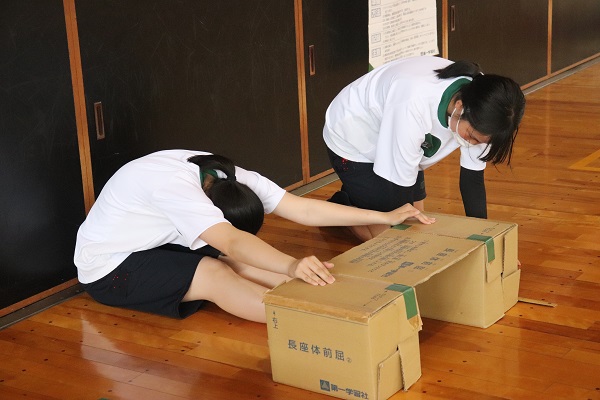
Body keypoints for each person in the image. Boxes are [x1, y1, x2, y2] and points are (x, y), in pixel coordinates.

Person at [73, 150, 435, 323]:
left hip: (156, 241)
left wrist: (384, 216)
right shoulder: (175, 190)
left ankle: (343, 301)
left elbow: (303, 210)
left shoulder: (230, 178)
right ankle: (313, 321)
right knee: (217, 272)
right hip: (110, 268)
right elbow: (232, 242)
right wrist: (292, 264)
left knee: (243, 263)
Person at [323, 55, 526, 241]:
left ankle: (360, 202)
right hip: (354, 137)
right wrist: (404, 240)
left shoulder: (487, 108)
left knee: (419, 225)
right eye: (472, 137)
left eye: (481, 142)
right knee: (384, 239)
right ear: (460, 107)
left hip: (405, 143)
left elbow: (472, 180)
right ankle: (342, 209)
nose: (474, 144)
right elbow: (399, 195)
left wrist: (485, 240)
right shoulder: (414, 101)